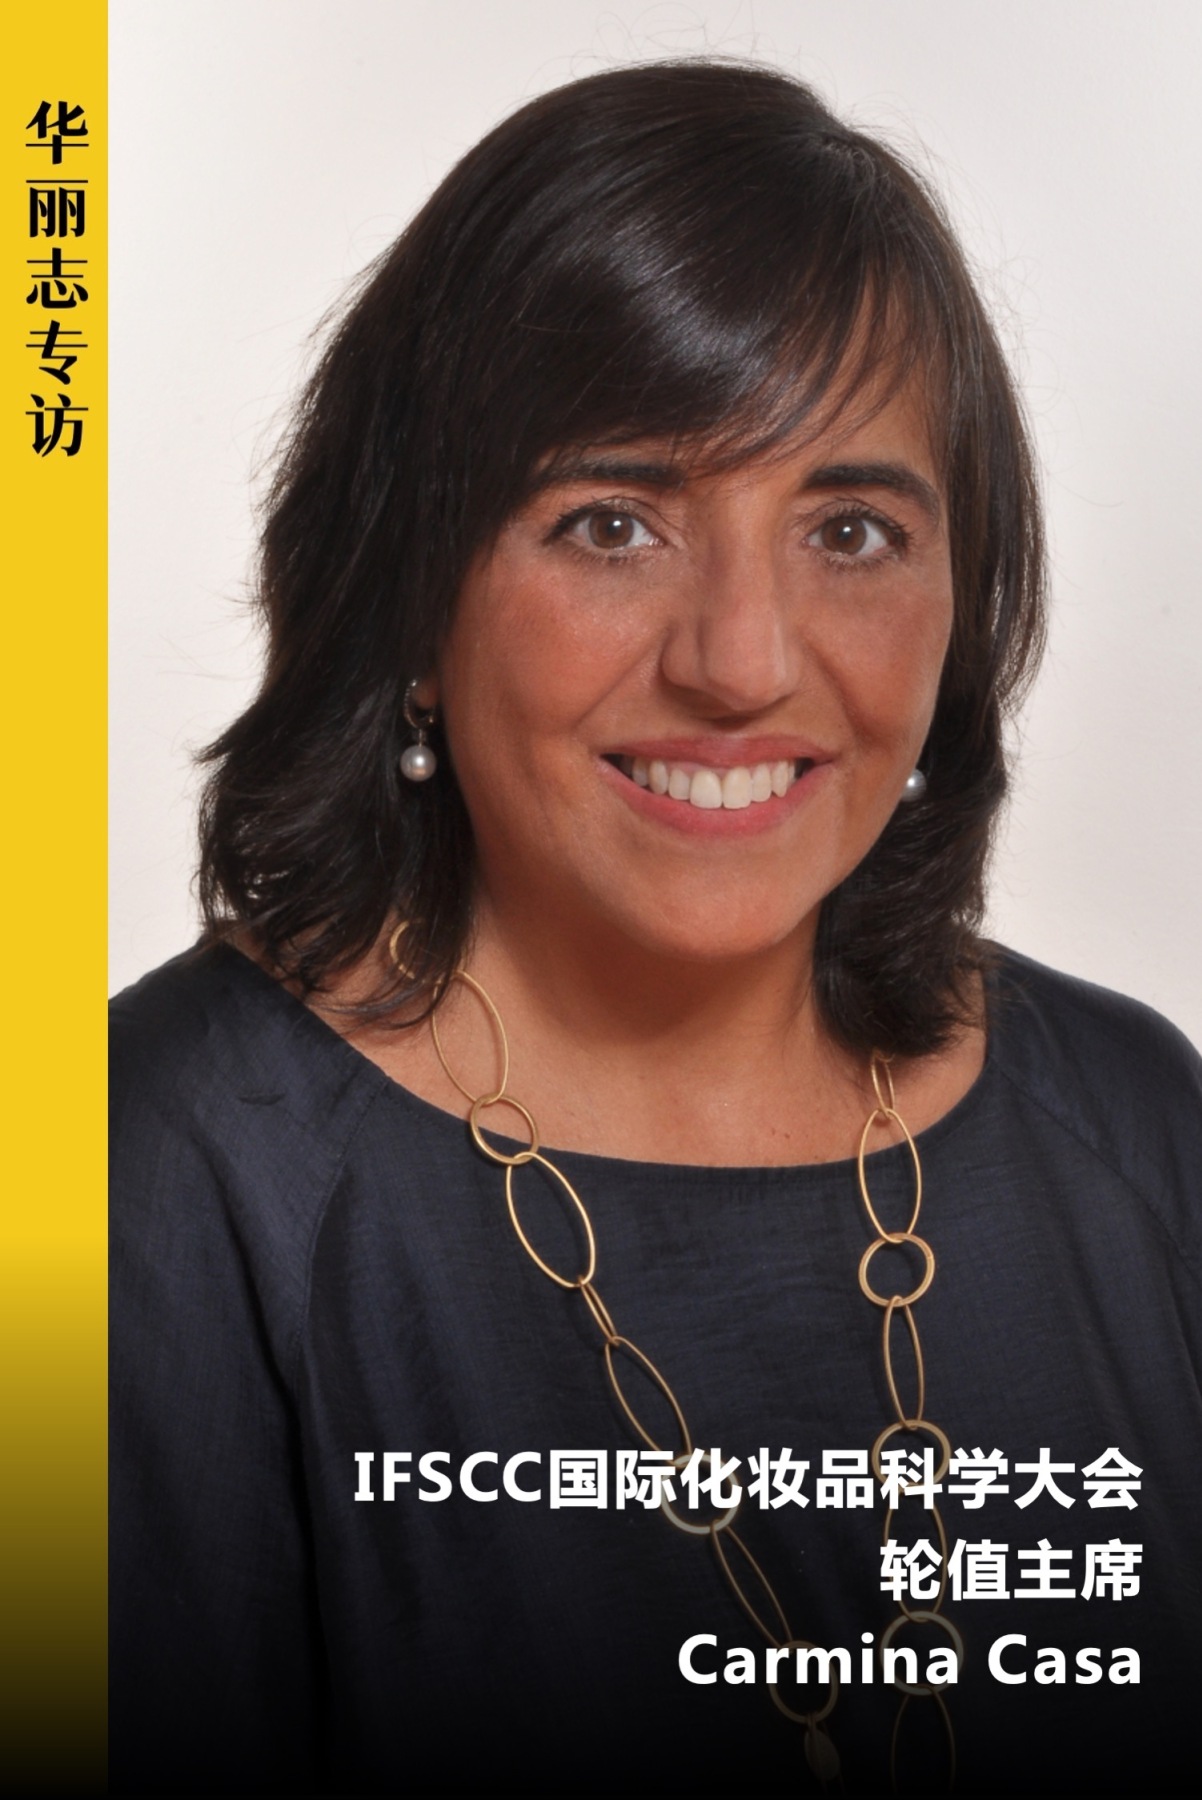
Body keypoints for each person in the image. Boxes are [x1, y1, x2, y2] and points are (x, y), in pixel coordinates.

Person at [110, 59, 1200, 1798]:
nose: (741, 661)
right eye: (610, 524)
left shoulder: (1136, 1127)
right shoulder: (166, 1172)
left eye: (851, 529)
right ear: (410, 588)